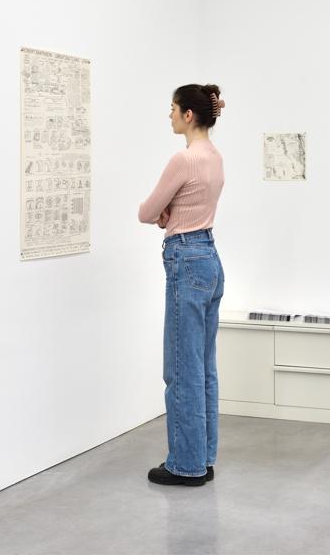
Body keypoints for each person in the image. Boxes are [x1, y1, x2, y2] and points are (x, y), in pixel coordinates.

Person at [137, 84, 226, 487]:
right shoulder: (214, 157)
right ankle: (202, 457)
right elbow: (185, 206)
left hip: (185, 257)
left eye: (173, 108)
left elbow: (146, 212)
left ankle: (185, 465)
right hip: (209, 257)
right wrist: (171, 212)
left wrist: (165, 214)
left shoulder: (184, 159)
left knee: (180, 368)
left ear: (189, 114)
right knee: (204, 367)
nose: (169, 115)